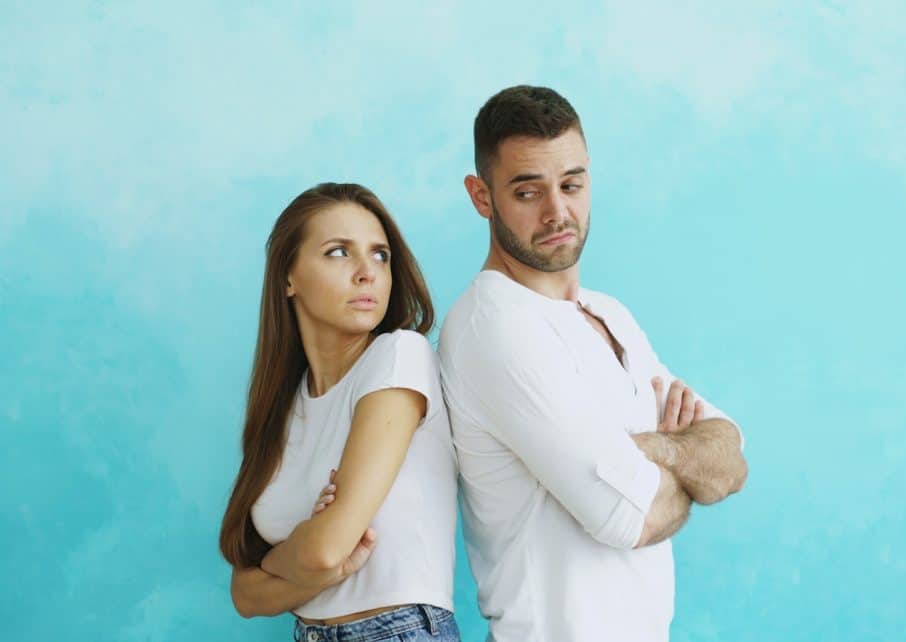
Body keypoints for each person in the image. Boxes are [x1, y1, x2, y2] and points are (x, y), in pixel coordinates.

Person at [438, 86, 749, 641]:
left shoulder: (610, 313)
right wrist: (684, 462)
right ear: (482, 197)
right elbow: (631, 518)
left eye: (572, 185)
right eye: (528, 192)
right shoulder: (495, 327)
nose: (557, 212)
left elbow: (731, 461)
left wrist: (653, 451)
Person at [219, 182, 461, 641]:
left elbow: (326, 551)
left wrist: (283, 559)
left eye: (380, 255)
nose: (367, 273)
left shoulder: (399, 356)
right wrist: (313, 560)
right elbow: (245, 596)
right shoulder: (283, 407)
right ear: (288, 278)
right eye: (338, 253)